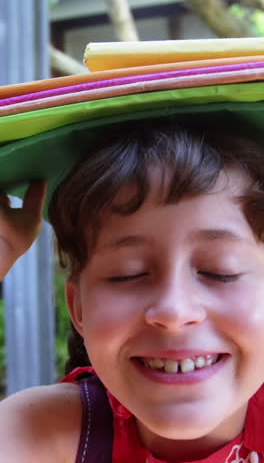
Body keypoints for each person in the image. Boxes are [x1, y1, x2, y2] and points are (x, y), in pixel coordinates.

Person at [0, 119, 264, 463]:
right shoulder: (41, 432)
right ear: (79, 310)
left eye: (221, 271)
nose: (174, 310)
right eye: (128, 275)